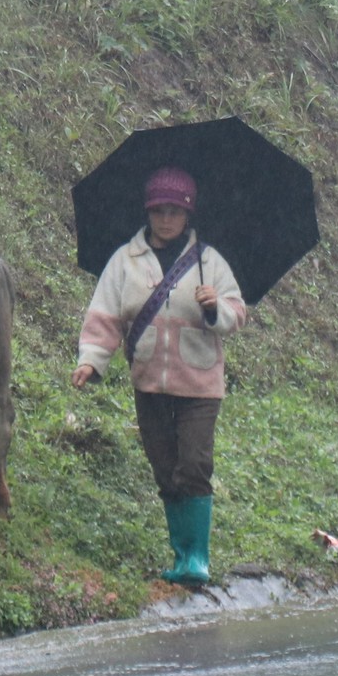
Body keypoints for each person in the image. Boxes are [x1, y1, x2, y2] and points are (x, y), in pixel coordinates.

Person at [70, 166, 247, 585]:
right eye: (159, 211)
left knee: (195, 463)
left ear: (188, 215)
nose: (167, 219)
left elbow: (236, 314)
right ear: (148, 212)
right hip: (149, 381)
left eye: (175, 211)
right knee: (164, 467)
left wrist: (212, 307)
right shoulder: (125, 261)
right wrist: (91, 360)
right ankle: (181, 555)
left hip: (200, 383)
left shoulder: (209, 261)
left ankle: (198, 559)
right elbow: (105, 316)